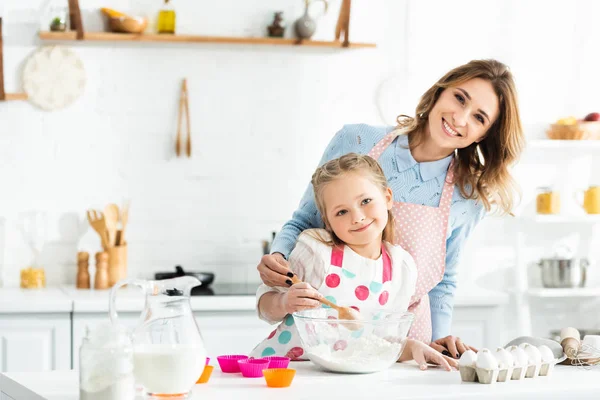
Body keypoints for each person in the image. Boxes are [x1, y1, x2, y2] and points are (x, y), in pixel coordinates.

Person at [257, 59, 524, 358]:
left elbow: (443, 281)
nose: (460, 118)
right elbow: (304, 220)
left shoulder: (469, 195)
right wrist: (278, 257)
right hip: (324, 337)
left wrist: (440, 340)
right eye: (459, 98)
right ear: (439, 92)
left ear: (484, 134)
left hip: (407, 347)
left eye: (479, 117)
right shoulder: (356, 140)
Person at [251, 153, 456, 371]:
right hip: (286, 371)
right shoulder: (316, 251)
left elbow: (378, 342)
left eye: (365, 201)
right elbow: (265, 306)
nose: (357, 217)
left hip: (342, 379)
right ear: (327, 220)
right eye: (341, 212)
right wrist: (283, 303)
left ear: (387, 197)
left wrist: (413, 346)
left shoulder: (401, 268)